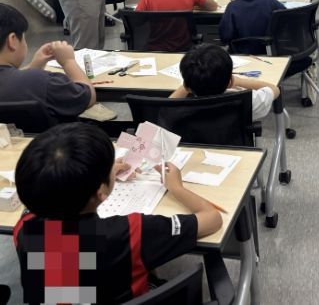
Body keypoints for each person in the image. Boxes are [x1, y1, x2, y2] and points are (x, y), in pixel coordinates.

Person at [13, 122, 222, 304]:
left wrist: (96, 175)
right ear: (101, 192)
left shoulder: (23, 228)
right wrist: (176, 188)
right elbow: (212, 218)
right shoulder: (132, 232)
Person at [0, 3, 95, 121]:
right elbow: (87, 96)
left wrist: (34, 66)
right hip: (51, 133)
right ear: (12, 41)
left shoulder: (32, 79)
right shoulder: (41, 81)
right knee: (117, 133)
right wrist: (68, 61)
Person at [170, 43, 280, 120]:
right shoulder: (246, 101)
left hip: (194, 147)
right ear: (230, 82)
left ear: (187, 86)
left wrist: (188, 83)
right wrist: (239, 81)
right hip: (235, 147)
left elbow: (165, 108)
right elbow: (275, 89)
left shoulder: (181, 108)